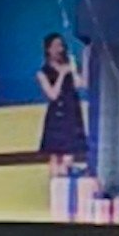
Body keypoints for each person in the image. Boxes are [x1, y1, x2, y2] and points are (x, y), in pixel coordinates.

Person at [36, 33, 89, 177]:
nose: (60, 49)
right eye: (56, 46)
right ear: (48, 49)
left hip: (71, 113)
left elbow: (81, 84)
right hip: (57, 115)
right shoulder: (42, 73)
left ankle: (65, 183)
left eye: (61, 45)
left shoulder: (69, 66)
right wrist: (62, 74)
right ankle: (55, 184)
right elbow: (52, 94)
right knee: (55, 155)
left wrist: (78, 65)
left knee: (69, 155)